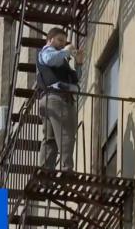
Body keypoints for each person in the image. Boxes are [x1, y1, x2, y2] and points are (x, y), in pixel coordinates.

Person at [35, 27, 84, 171]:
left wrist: (79, 63)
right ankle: (66, 168)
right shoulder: (48, 52)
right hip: (57, 98)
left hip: (49, 99)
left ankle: (46, 171)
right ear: (50, 40)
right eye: (60, 40)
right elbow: (50, 60)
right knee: (66, 134)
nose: (63, 44)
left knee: (50, 139)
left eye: (64, 41)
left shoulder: (61, 59)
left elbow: (75, 79)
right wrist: (67, 50)